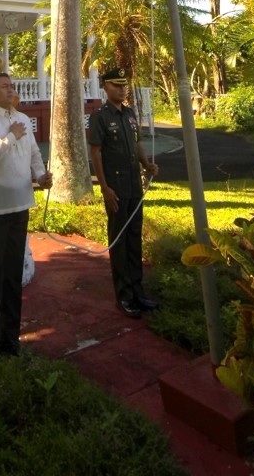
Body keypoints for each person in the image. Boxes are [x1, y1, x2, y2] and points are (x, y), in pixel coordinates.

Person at [0, 71, 52, 356]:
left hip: (21, 205)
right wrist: (10, 136)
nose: (10, 90)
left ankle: (11, 336)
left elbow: (32, 154)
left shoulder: (21, 118)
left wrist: (41, 176)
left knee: (12, 273)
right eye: (4, 86)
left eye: (12, 86)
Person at [88, 66, 159, 318]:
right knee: (119, 242)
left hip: (134, 186)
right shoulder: (100, 117)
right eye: (117, 85)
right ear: (106, 87)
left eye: (124, 85)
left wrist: (146, 164)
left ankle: (138, 292)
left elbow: (137, 142)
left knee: (134, 239)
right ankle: (124, 296)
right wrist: (104, 187)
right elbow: (96, 153)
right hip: (115, 188)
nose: (122, 89)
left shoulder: (129, 114)